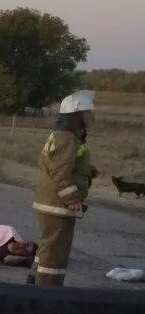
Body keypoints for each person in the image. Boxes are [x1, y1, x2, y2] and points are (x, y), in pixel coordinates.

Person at [31, 90, 100, 286]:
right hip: (58, 204)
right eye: (88, 112)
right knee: (55, 252)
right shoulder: (67, 139)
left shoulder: (63, 136)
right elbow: (60, 173)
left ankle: (34, 284)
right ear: (77, 115)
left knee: (47, 247)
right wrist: (73, 199)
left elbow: (60, 164)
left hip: (50, 201)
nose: (91, 116)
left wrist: (87, 170)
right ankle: (46, 293)